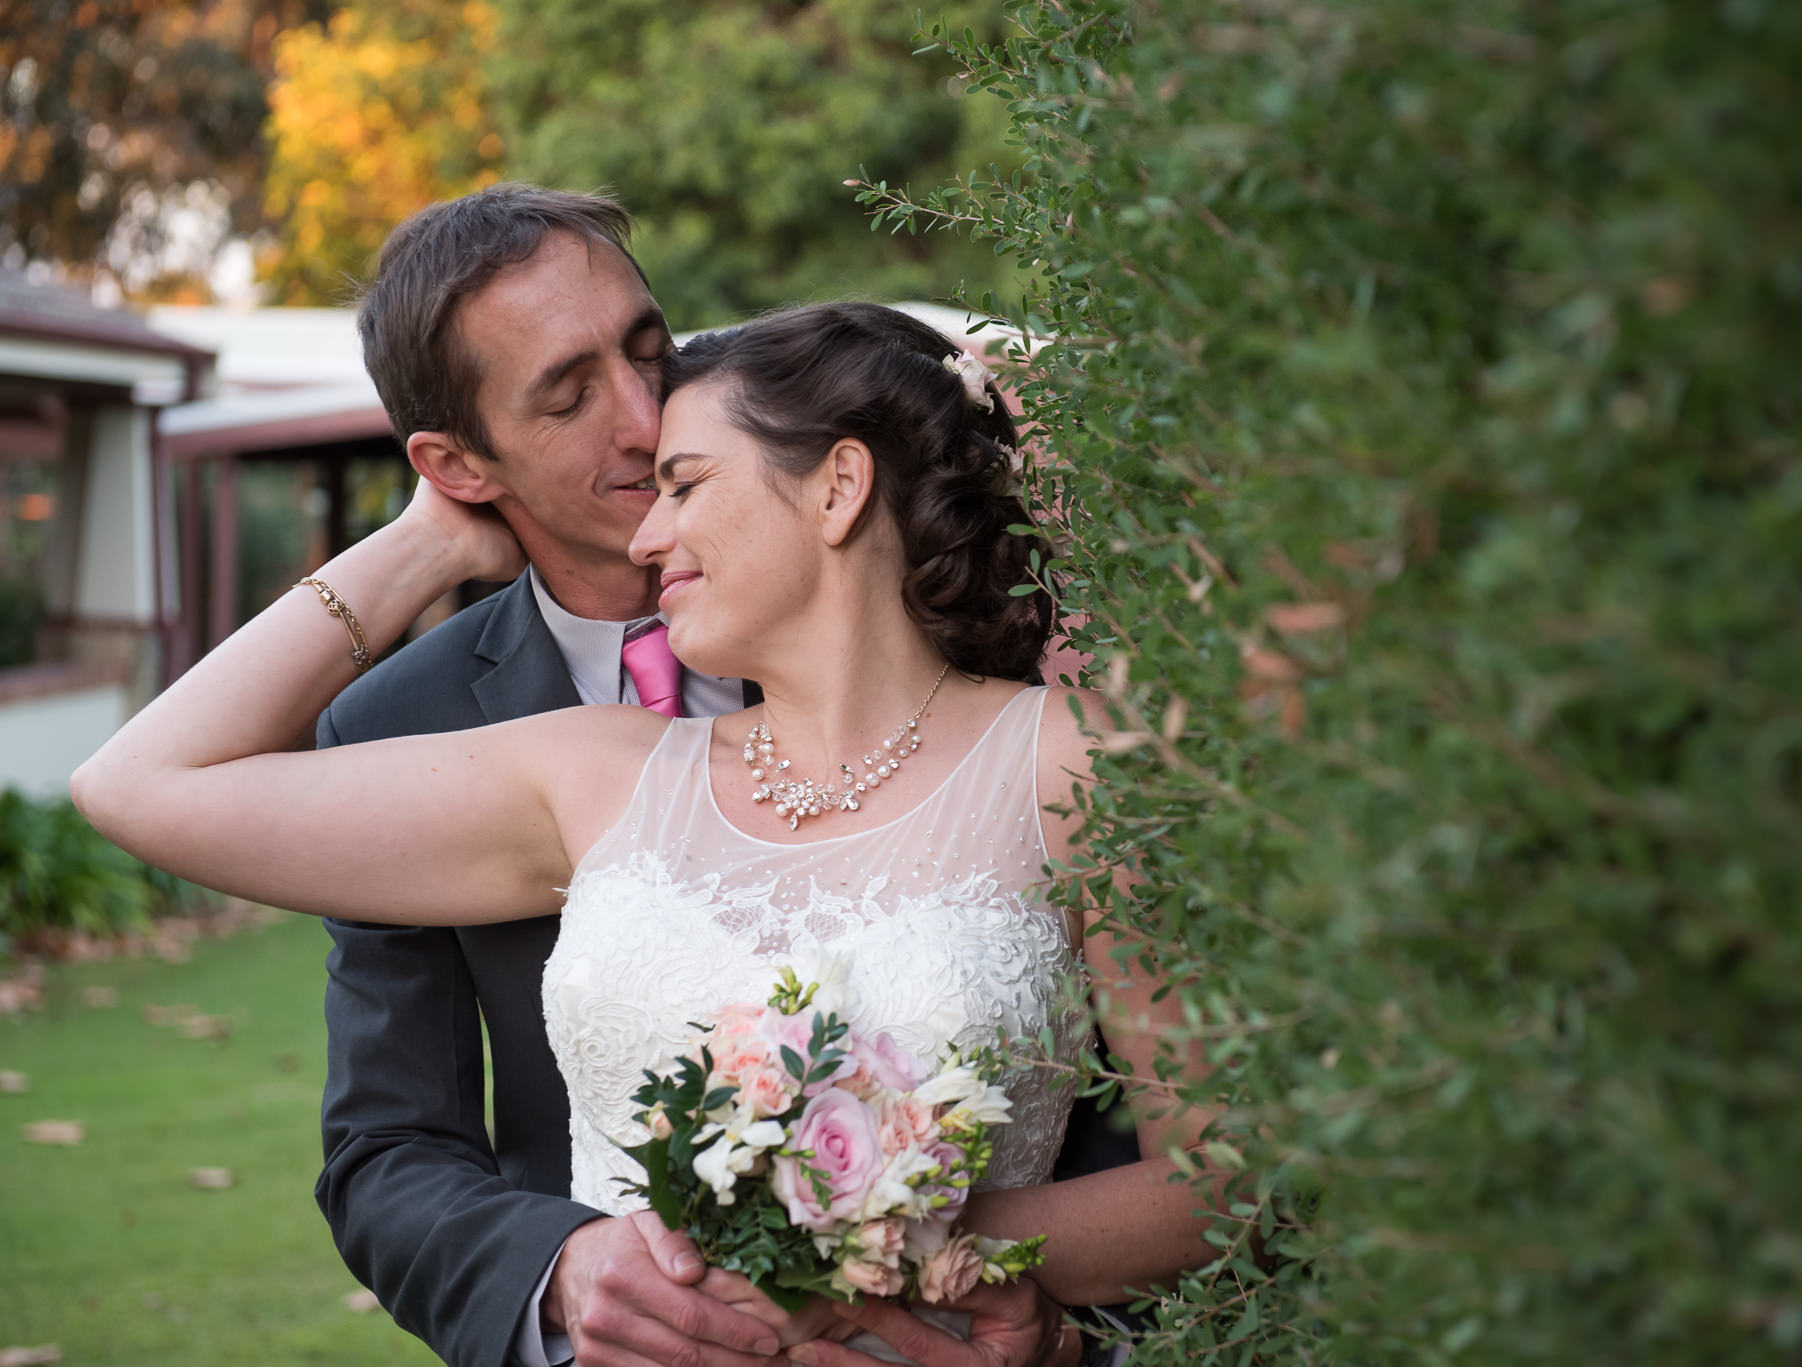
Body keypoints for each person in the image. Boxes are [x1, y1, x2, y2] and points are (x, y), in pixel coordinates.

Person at [72, 298, 1214, 1364]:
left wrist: (910, 1238)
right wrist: (421, 543)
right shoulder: (593, 771)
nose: (643, 533)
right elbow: (139, 784)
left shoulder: (1081, 761)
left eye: (683, 481)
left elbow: (1225, 1176)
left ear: (837, 487)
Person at [297, 185, 1131, 1367]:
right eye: (569, 393)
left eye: (649, 349)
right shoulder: (404, 725)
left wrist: (1046, 1318)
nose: (642, 418)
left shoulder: (931, 610)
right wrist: (563, 1268)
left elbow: (1150, 1096)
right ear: (458, 459)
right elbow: (388, 1146)